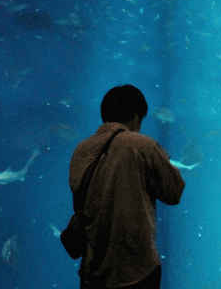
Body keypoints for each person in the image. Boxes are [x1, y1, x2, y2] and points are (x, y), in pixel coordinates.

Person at [69, 85, 185, 289]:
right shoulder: (144, 146)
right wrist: (164, 160)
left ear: (105, 114)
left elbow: (79, 199)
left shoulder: (81, 149)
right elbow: (173, 193)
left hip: (93, 270)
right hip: (137, 269)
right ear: (136, 115)